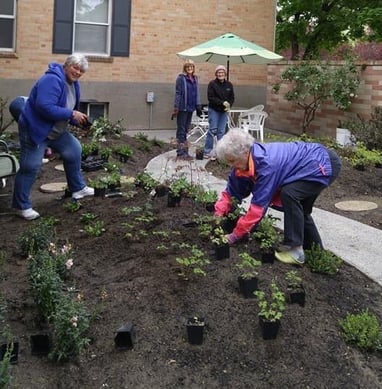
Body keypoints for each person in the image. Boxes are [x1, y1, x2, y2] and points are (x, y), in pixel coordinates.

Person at [213, 129, 342, 265]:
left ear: (245, 153)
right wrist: (218, 213)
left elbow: (258, 208)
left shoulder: (266, 164)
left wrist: (235, 235)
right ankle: (316, 250)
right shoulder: (243, 164)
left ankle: (295, 251)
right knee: (299, 209)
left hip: (320, 163)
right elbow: (231, 191)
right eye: (228, 162)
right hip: (311, 161)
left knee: (290, 195)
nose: (231, 165)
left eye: (233, 161)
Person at [12, 54, 94, 220]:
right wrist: (72, 113)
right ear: (66, 66)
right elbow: (44, 106)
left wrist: (80, 122)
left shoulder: (73, 84)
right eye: (75, 68)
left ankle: (77, 188)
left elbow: (66, 112)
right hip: (36, 129)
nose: (78, 72)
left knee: (74, 150)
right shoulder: (52, 80)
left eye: (81, 71)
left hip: (56, 131)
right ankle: (21, 206)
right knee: (31, 166)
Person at [172, 59, 202, 160]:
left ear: (194, 68)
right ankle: (180, 152)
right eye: (188, 67)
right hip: (182, 107)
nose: (190, 68)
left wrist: (198, 106)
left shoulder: (195, 78)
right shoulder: (181, 79)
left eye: (192, 67)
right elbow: (178, 93)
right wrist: (176, 107)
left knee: (186, 129)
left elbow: (197, 92)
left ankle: (185, 151)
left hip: (191, 107)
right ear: (185, 68)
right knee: (181, 130)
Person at [203, 65, 235, 160]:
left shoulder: (229, 85)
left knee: (221, 132)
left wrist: (229, 105)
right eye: (218, 72)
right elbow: (211, 98)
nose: (220, 74)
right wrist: (222, 102)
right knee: (212, 130)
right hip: (214, 110)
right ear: (216, 74)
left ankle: (220, 152)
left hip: (223, 112)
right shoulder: (212, 84)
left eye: (222, 72)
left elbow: (232, 97)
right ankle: (207, 151)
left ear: (225, 74)